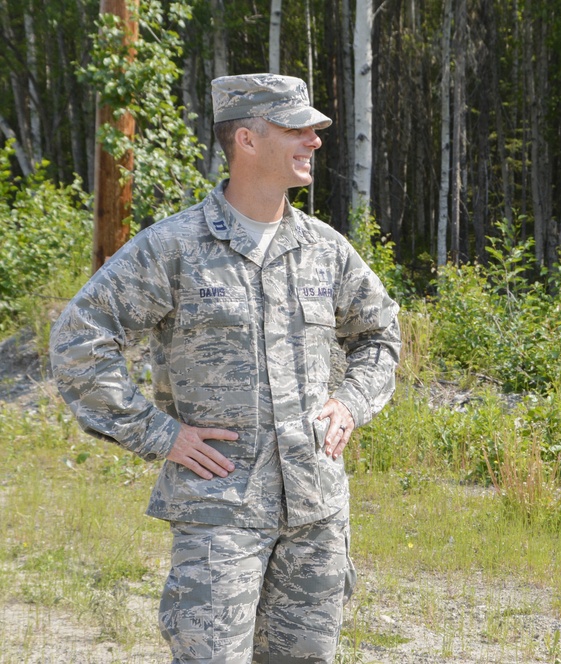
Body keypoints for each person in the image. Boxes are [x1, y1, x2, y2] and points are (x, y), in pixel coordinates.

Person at [49, 73, 400, 662]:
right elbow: (79, 339)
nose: (315, 141)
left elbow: (380, 333)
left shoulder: (326, 249)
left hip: (315, 511)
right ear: (246, 139)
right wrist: (159, 433)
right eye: (297, 128)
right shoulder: (175, 247)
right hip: (220, 514)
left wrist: (351, 402)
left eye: (315, 131)